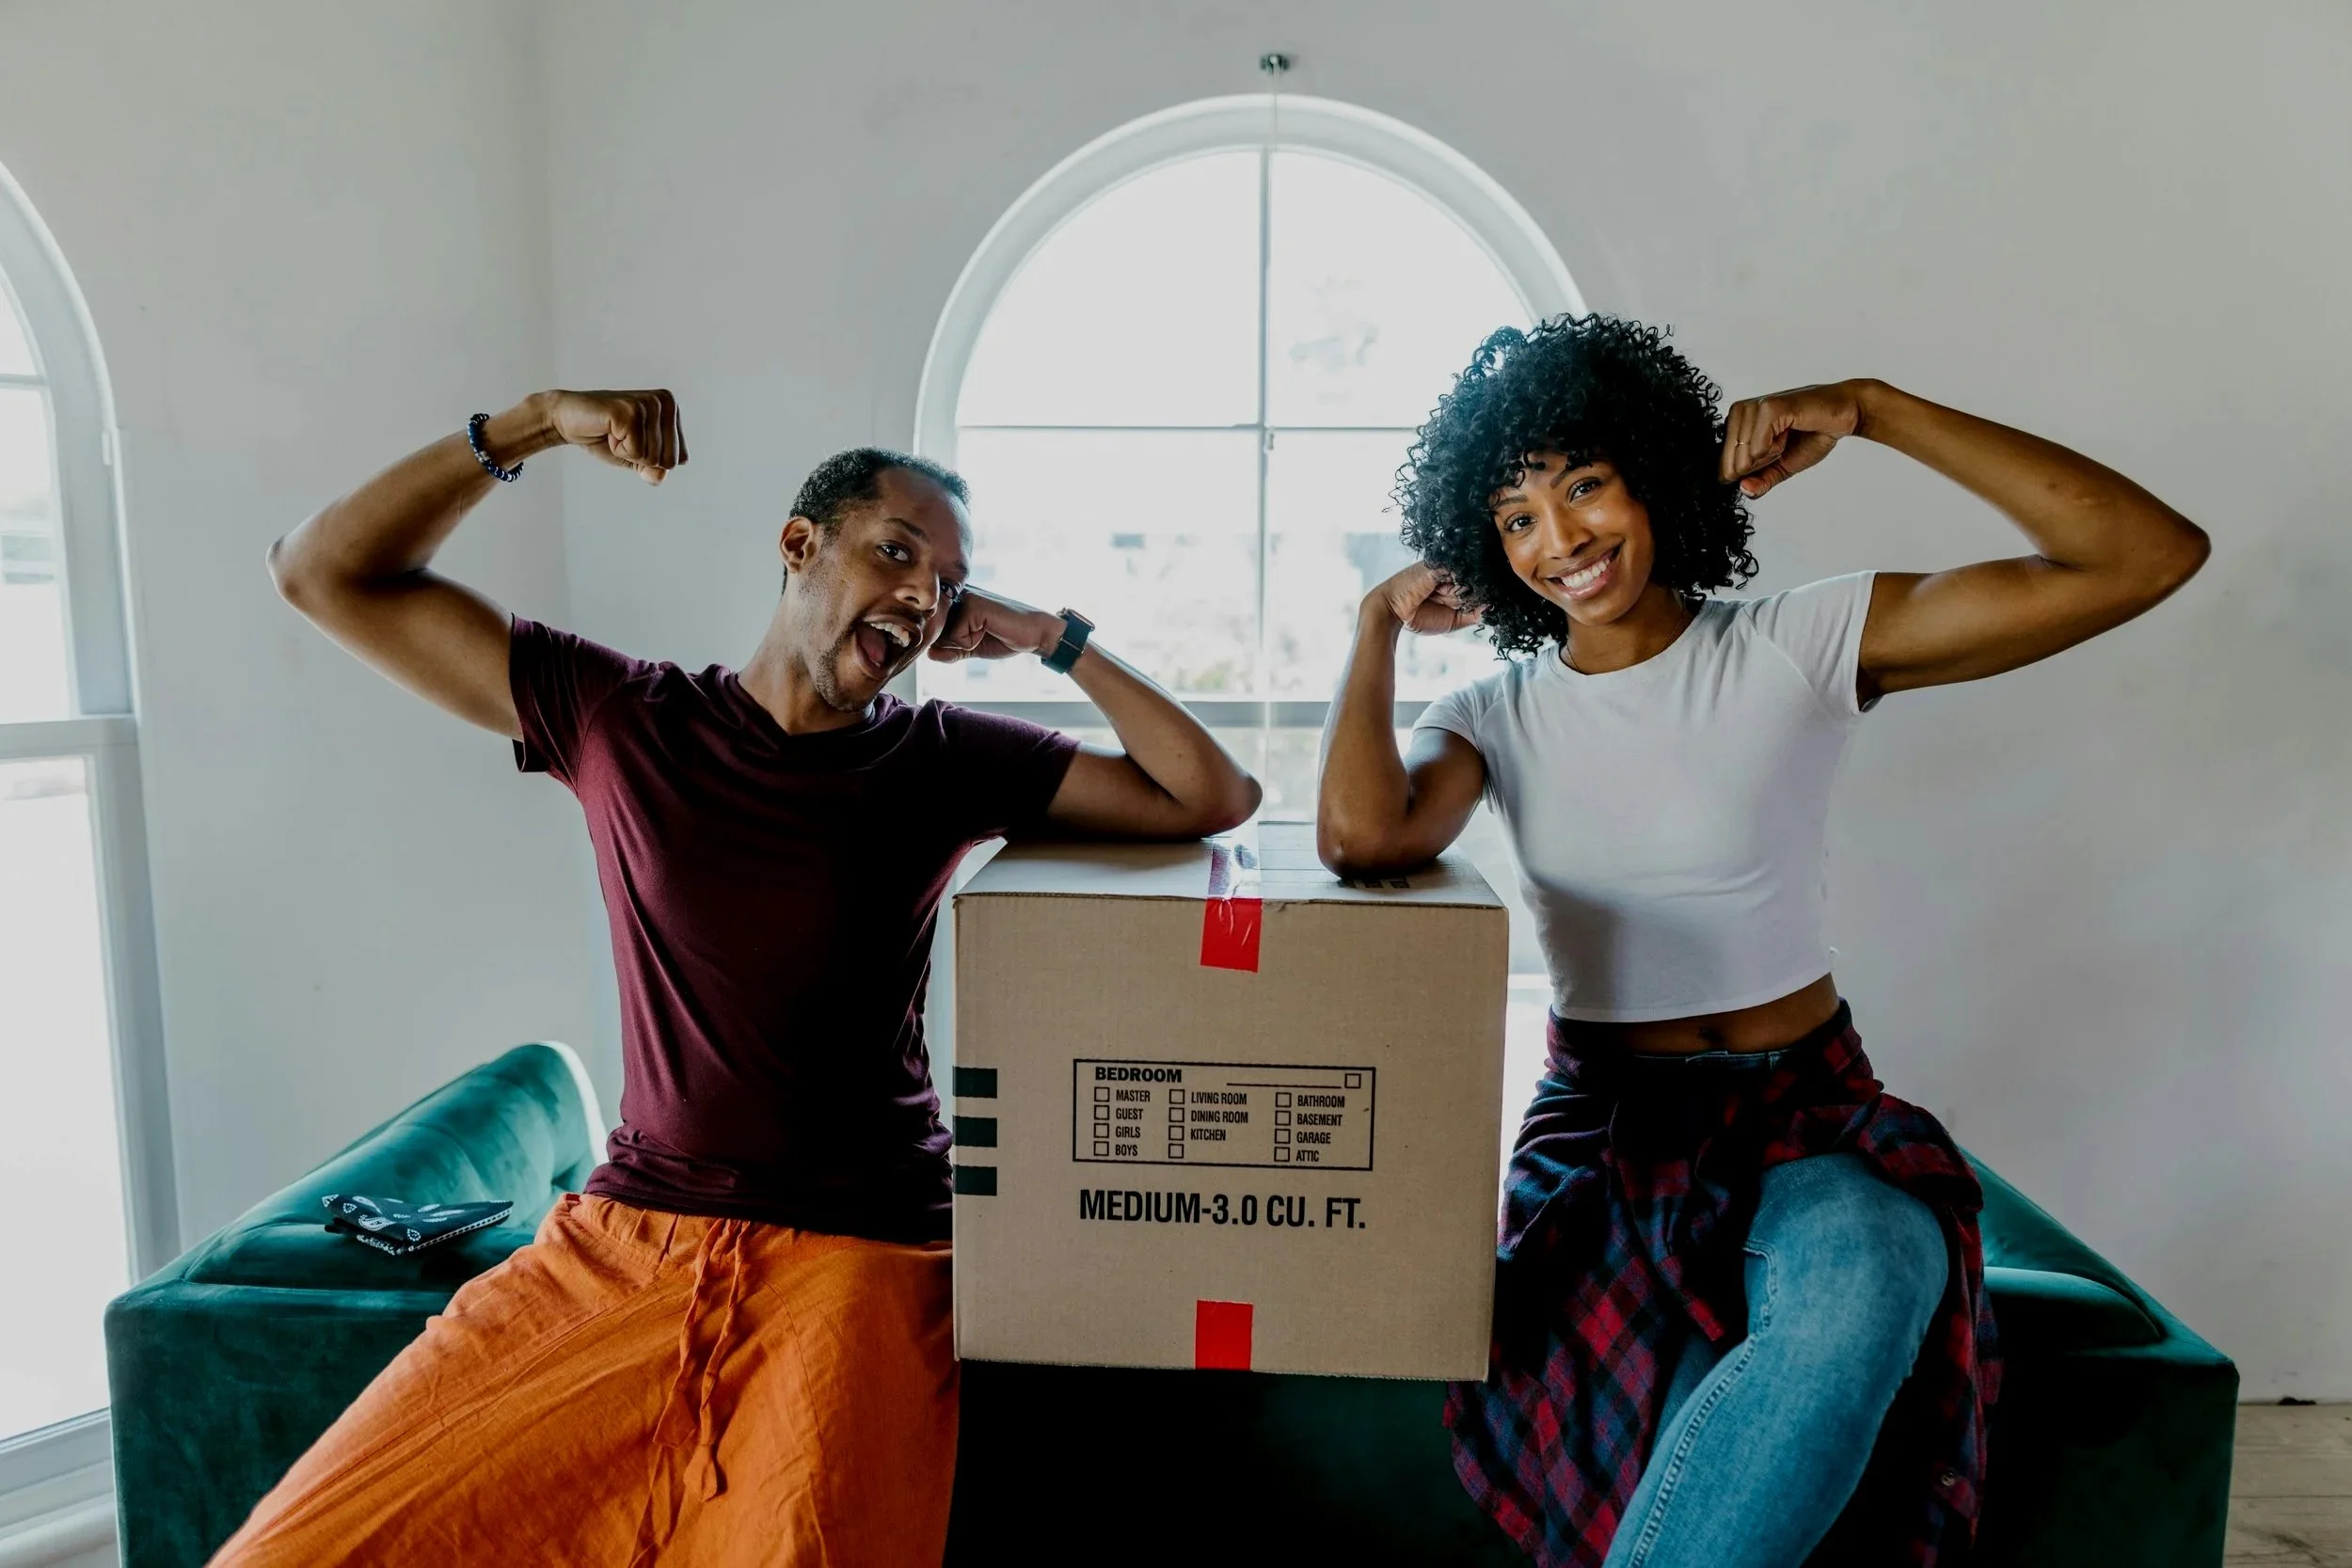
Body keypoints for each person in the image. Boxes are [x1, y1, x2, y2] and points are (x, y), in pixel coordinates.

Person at [222, 389, 1261, 1567]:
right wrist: (530, 426)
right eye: (896, 551)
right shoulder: (622, 715)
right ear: (798, 543)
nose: (923, 596)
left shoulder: (941, 760)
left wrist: (1049, 639)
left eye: (948, 583)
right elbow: (319, 572)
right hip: (628, 1240)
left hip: (863, 1251)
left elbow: (1210, 796)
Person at [1317, 316, 2206, 1568]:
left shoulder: (1796, 641)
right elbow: (1363, 836)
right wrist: (1374, 629)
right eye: (1515, 516)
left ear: (1650, 472)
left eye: (1583, 485)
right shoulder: (1492, 713)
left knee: (1878, 1267)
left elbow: (2142, 556)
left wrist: (1875, 404)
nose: (1561, 539)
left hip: (1812, 1107)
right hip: (1611, 1134)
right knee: (1677, 1389)